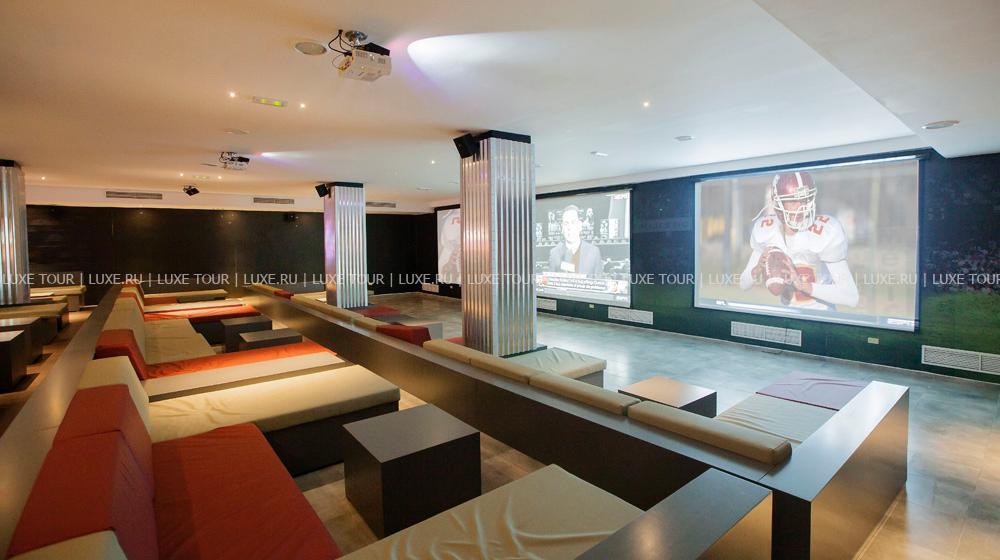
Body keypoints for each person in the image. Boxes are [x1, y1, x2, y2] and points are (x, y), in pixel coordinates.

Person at [739, 172, 859, 310]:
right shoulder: (767, 230)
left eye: (805, 200)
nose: (802, 207)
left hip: (820, 318)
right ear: (778, 203)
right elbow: (743, 284)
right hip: (787, 317)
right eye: (793, 201)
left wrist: (803, 285)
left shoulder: (826, 232)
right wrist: (758, 268)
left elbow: (851, 296)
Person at [548, 205, 603, 277]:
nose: (569, 227)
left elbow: (599, 281)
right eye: (566, 223)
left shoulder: (594, 252)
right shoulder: (554, 253)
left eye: (573, 222)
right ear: (562, 228)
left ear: (580, 226)